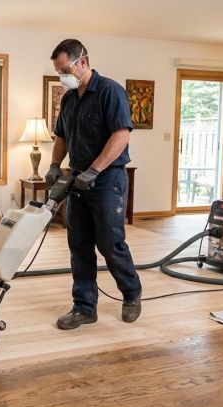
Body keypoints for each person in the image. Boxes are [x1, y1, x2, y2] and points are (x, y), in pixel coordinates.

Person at [45, 39, 143, 330]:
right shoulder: (69, 98)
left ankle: (131, 294)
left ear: (82, 62)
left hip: (107, 179)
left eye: (65, 70)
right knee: (79, 245)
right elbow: (61, 136)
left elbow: (121, 135)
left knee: (110, 244)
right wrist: (53, 165)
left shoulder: (110, 91)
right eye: (58, 71)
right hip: (77, 178)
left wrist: (95, 170)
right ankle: (84, 307)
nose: (62, 76)